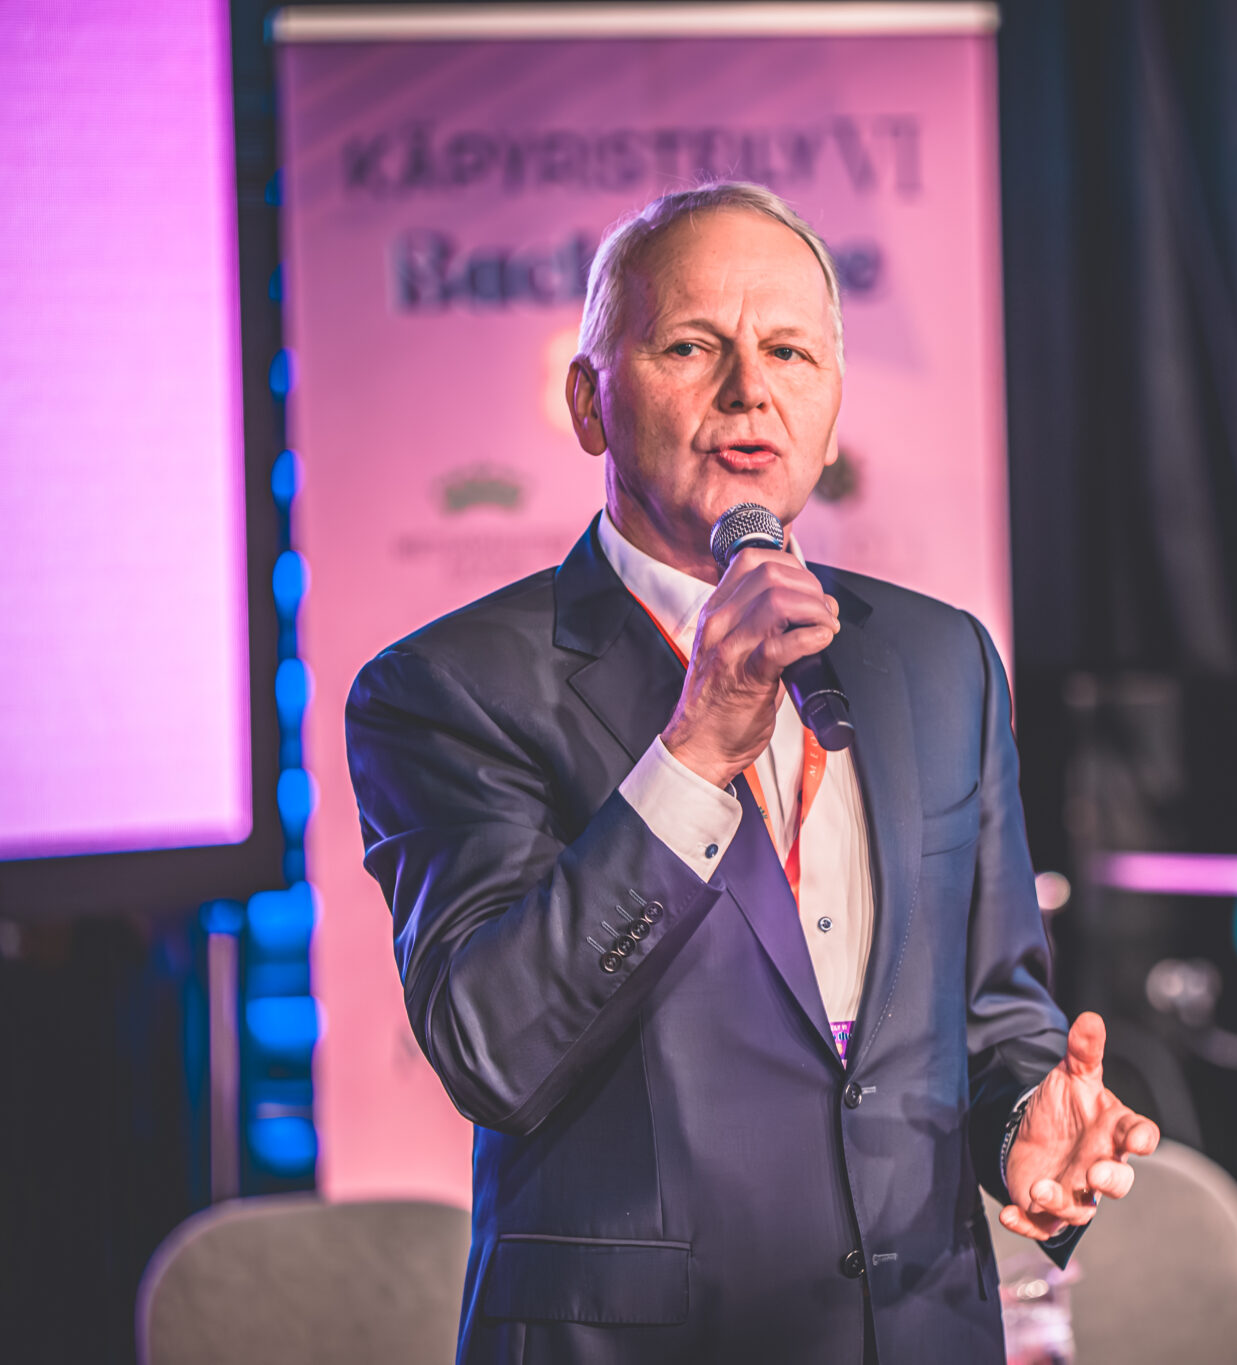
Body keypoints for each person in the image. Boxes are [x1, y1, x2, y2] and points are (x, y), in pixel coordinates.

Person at [345, 182, 1158, 1365]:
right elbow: (493, 1050)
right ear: (589, 402)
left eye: (789, 351)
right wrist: (698, 745)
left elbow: (993, 1014)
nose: (748, 390)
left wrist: (1026, 1129)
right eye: (690, 346)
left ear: (831, 408)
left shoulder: (941, 660)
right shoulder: (448, 687)